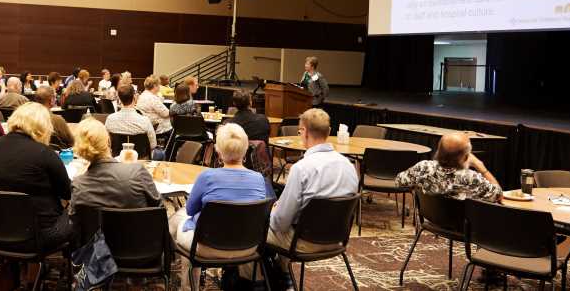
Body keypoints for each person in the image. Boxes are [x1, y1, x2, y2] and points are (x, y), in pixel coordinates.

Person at [170, 124, 268, 290]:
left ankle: (187, 286)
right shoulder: (259, 179)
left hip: (208, 247)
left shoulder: (207, 176)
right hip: (249, 247)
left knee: (178, 222)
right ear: (245, 150)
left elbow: (190, 210)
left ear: (218, 151)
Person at [265, 109, 358, 280]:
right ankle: (283, 276)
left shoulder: (302, 168)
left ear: (304, 132)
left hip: (302, 242)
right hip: (336, 239)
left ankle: (262, 282)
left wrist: (271, 212)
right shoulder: (349, 166)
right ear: (329, 132)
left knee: (255, 228)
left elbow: (280, 222)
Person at [0, 103, 73, 252]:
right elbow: (67, 193)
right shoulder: (44, 153)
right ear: (44, 127)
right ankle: (85, 270)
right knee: (81, 214)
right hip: (38, 236)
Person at [70, 117, 160, 211]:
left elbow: (76, 223)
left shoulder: (78, 186)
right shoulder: (137, 172)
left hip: (96, 226)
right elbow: (159, 210)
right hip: (139, 225)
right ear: (108, 142)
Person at [395, 132, 502, 201]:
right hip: (461, 228)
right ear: (465, 157)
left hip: (430, 220)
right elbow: (498, 195)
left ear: (439, 151)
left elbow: (399, 181)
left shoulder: (423, 167)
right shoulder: (471, 178)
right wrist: (482, 168)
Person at [104, 84, 156, 149]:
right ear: (134, 97)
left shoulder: (110, 119)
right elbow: (153, 145)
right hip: (141, 158)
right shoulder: (144, 120)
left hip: (117, 157)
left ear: (119, 99)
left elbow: (106, 142)